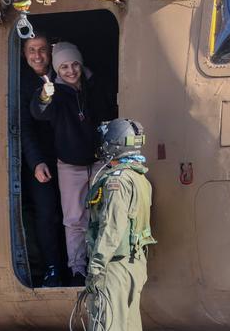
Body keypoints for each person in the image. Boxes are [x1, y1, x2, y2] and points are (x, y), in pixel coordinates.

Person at [30, 42, 116, 285]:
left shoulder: (96, 85)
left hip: (100, 160)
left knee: (102, 215)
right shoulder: (52, 91)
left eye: (74, 64)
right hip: (70, 164)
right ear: (58, 70)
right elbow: (39, 111)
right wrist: (45, 95)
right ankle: (77, 270)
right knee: (74, 219)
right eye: (64, 66)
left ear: (81, 64)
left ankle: (101, 267)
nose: (70, 71)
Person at [84, 118, 157, 331]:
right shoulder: (140, 178)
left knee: (106, 323)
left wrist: (96, 267)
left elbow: (112, 227)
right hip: (134, 265)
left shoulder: (117, 181)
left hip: (113, 266)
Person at [19, 32, 65, 287]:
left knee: (73, 215)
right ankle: (52, 269)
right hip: (41, 161)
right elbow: (24, 127)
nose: (38, 55)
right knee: (46, 215)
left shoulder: (66, 73)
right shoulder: (22, 84)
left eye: (42, 49)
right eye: (32, 50)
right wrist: (36, 162)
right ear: (25, 55)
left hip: (69, 157)